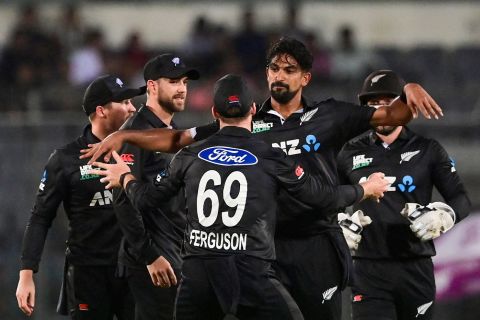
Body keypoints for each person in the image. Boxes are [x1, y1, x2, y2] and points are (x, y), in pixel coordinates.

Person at [80, 37, 443, 320]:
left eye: (289, 69)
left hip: (316, 243)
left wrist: (408, 92)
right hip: (260, 248)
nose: (279, 75)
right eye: (273, 68)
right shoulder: (247, 121)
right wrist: (123, 136)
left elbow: (389, 118)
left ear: (305, 77)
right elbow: (177, 139)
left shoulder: (331, 115)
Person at [336, 70, 471, 320]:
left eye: (387, 102)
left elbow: (461, 199)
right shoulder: (348, 152)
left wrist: (444, 216)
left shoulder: (428, 149)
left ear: (404, 105)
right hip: (367, 268)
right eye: (373, 104)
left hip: (415, 266)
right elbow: (328, 199)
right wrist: (337, 224)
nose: (380, 109)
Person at [15, 74, 143, 319]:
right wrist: (26, 274)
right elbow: (40, 218)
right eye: (124, 102)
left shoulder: (142, 151)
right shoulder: (65, 159)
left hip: (135, 270)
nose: (132, 108)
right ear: (101, 111)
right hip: (88, 274)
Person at [112, 53, 199, 320]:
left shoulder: (172, 130)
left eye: (184, 81)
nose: (182, 88)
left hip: (175, 253)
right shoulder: (135, 133)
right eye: (173, 81)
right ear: (152, 86)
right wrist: (150, 256)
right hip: (151, 262)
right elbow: (122, 199)